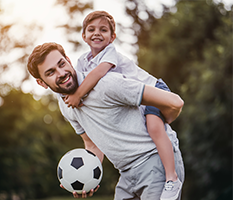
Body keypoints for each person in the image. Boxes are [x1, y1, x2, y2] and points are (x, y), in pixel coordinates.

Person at [27, 42, 185, 200]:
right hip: (126, 174)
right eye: (50, 72)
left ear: (68, 60)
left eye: (62, 64)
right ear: (41, 82)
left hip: (156, 161)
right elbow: (92, 145)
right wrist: (86, 176)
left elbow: (174, 102)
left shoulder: (106, 84)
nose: (61, 73)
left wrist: (162, 126)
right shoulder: (66, 105)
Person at [62, 11, 181, 200]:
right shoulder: (82, 61)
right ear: (83, 36)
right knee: (151, 127)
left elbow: (99, 73)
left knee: (155, 128)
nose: (97, 33)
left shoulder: (110, 53)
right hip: (137, 100)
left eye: (103, 30)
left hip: (153, 89)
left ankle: (171, 178)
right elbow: (84, 79)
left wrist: (77, 94)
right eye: (91, 30)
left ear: (112, 37)